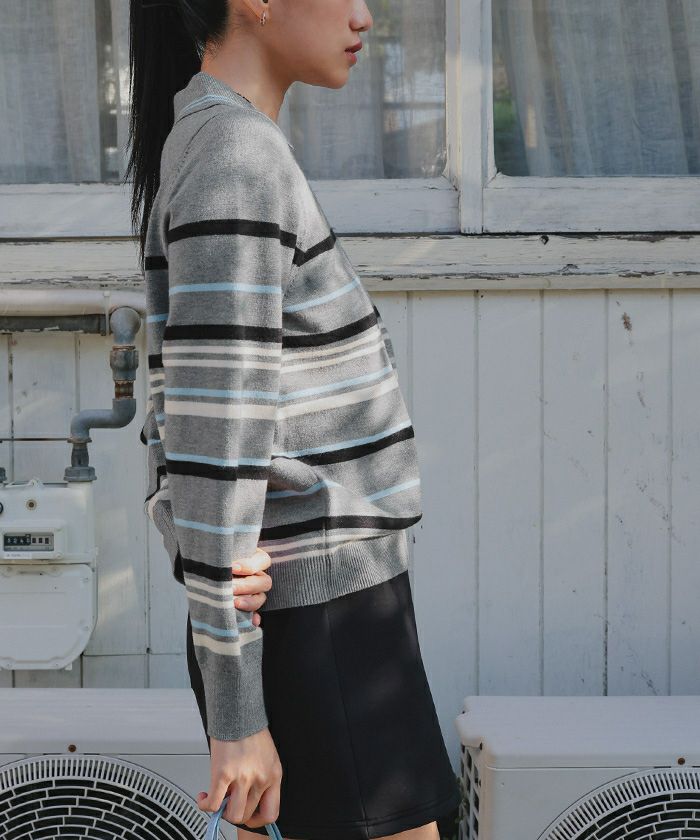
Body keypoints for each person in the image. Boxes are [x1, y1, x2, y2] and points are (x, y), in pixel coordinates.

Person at [126, 1, 461, 838]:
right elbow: (214, 437)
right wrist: (237, 712)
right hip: (320, 625)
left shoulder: (227, 143)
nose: (364, 15)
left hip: (319, 613)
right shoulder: (233, 154)